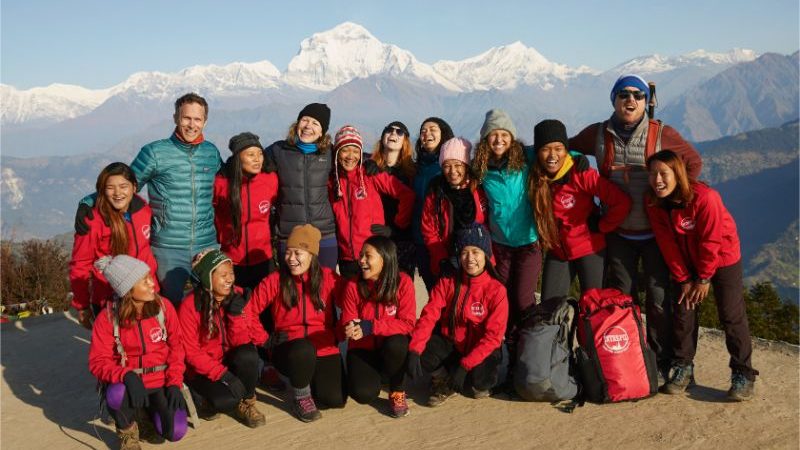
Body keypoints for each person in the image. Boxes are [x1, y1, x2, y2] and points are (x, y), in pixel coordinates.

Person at [569, 74, 703, 377]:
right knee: (622, 299)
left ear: (646, 100)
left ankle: (659, 361)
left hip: (657, 234)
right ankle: (628, 358)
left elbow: (693, 162)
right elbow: (563, 148)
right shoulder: (597, 134)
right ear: (614, 99)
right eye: (624, 94)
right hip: (618, 233)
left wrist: (677, 197)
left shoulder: (661, 134)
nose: (630, 100)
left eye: (638, 95)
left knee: (658, 300)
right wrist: (575, 161)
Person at [75, 93, 223, 305]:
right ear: (175, 118)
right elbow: (125, 185)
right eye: (186, 118)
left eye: (197, 119)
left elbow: (226, 185)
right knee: (168, 306)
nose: (192, 125)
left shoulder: (211, 152)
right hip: (168, 248)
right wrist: (88, 202)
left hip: (207, 243)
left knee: (211, 304)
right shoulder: (154, 152)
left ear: (205, 121)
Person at [645, 150, 758, 401]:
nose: (657, 180)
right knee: (684, 311)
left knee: (730, 313)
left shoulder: (705, 198)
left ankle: (743, 373)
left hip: (723, 257)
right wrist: (684, 279)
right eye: (652, 174)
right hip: (687, 261)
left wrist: (704, 279)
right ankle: (684, 368)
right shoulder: (653, 201)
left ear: (678, 174)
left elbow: (711, 241)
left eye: (663, 173)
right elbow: (666, 243)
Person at [227, 224, 346, 422]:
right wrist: (264, 340)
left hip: (323, 346)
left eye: (297, 252)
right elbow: (247, 311)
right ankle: (301, 397)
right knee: (303, 349)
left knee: (335, 399)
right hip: (289, 349)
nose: (291, 259)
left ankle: (309, 380)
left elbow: (353, 302)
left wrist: (339, 332)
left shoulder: (328, 277)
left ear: (311, 254)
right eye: (288, 252)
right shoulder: (276, 280)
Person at [471, 109, 541, 385]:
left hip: (528, 243)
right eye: (493, 135)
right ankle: (511, 355)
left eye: (503, 134)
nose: (498, 139)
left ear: (512, 137)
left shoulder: (526, 160)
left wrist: (578, 160)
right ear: (485, 139)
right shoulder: (481, 169)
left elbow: (555, 152)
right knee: (502, 300)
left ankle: (529, 356)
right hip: (499, 246)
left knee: (524, 300)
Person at [89, 255, 187, 449]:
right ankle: (127, 431)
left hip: (161, 380)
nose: (153, 283)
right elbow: (97, 361)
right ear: (127, 289)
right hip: (130, 384)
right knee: (116, 395)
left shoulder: (163, 308)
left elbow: (177, 347)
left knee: (175, 432)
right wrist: (125, 375)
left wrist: (175, 382)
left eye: (150, 277)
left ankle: (145, 415)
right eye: (145, 280)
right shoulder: (108, 317)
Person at [528, 120, 631, 301]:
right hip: (557, 250)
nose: (552, 155)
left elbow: (621, 202)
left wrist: (602, 225)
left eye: (558, 148)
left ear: (565, 150)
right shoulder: (536, 177)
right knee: (549, 308)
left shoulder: (580, 173)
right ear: (537, 152)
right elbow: (515, 153)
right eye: (545, 149)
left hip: (589, 249)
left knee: (592, 307)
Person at [407, 223, 508, 406]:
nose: (469, 258)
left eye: (475, 252)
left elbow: (493, 337)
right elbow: (429, 315)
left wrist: (465, 366)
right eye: (464, 252)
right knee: (423, 346)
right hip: (453, 343)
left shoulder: (496, 290)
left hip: (480, 348)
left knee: (478, 387)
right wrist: (415, 349)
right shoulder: (448, 282)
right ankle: (443, 380)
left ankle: (462, 373)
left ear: (485, 255)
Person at [179, 249, 266, 428]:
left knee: (248, 355)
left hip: (229, 358)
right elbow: (191, 353)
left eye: (232, 273)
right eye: (223, 275)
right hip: (203, 369)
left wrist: (235, 316)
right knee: (225, 401)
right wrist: (223, 375)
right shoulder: (190, 306)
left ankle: (248, 403)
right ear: (207, 278)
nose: (230, 279)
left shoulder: (238, 295)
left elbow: (242, 343)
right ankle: (203, 397)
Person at [70, 162, 159, 329]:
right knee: (117, 350)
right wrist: (82, 305)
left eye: (123, 186)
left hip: (147, 292)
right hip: (110, 298)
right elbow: (80, 266)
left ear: (134, 187)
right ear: (102, 190)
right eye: (110, 187)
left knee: (150, 349)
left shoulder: (143, 209)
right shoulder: (93, 220)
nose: (118, 193)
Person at [341, 236, 416, 418]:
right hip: (363, 348)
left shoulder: (403, 282)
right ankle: (381, 375)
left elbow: (408, 324)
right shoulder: (353, 285)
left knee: (398, 343)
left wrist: (371, 326)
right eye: (361, 256)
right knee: (363, 394)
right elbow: (348, 318)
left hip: (389, 346)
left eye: (368, 256)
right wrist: (349, 327)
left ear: (385, 259)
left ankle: (397, 390)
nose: (362, 261)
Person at [330, 125, 415, 279]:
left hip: (373, 255)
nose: (351, 156)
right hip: (346, 258)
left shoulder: (370, 174)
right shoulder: (332, 182)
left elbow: (407, 195)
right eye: (345, 150)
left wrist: (396, 226)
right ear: (336, 153)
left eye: (356, 151)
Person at [263, 103, 338, 269]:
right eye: (305, 120)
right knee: (292, 290)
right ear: (297, 123)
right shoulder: (278, 150)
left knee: (326, 287)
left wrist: (371, 164)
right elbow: (251, 160)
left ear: (322, 132)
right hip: (289, 234)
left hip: (324, 233)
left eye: (315, 123)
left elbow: (354, 159)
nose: (308, 126)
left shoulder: (330, 153)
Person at [213, 132, 279, 290]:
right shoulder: (221, 183)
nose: (257, 159)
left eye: (260, 154)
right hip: (232, 261)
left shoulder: (270, 179)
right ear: (238, 158)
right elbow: (212, 214)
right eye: (251, 155)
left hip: (264, 258)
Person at [421, 137, 489, 277]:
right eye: (447, 165)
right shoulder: (436, 191)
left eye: (457, 165)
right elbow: (429, 229)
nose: (452, 171)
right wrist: (441, 258)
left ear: (466, 165)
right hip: (447, 257)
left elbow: (488, 223)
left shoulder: (478, 189)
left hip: (477, 258)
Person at [412, 117, 455, 291]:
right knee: (433, 293)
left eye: (432, 129)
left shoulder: (449, 166)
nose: (426, 133)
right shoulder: (416, 168)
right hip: (420, 240)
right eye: (423, 131)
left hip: (444, 241)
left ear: (443, 134)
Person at [370, 121, 417, 276]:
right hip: (373, 237)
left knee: (400, 289)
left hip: (402, 240)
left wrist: (395, 229)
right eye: (389, 130)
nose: (393, 134)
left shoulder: (412, 173)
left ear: (405, 141)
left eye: (400, 132)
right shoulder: (369, 167)